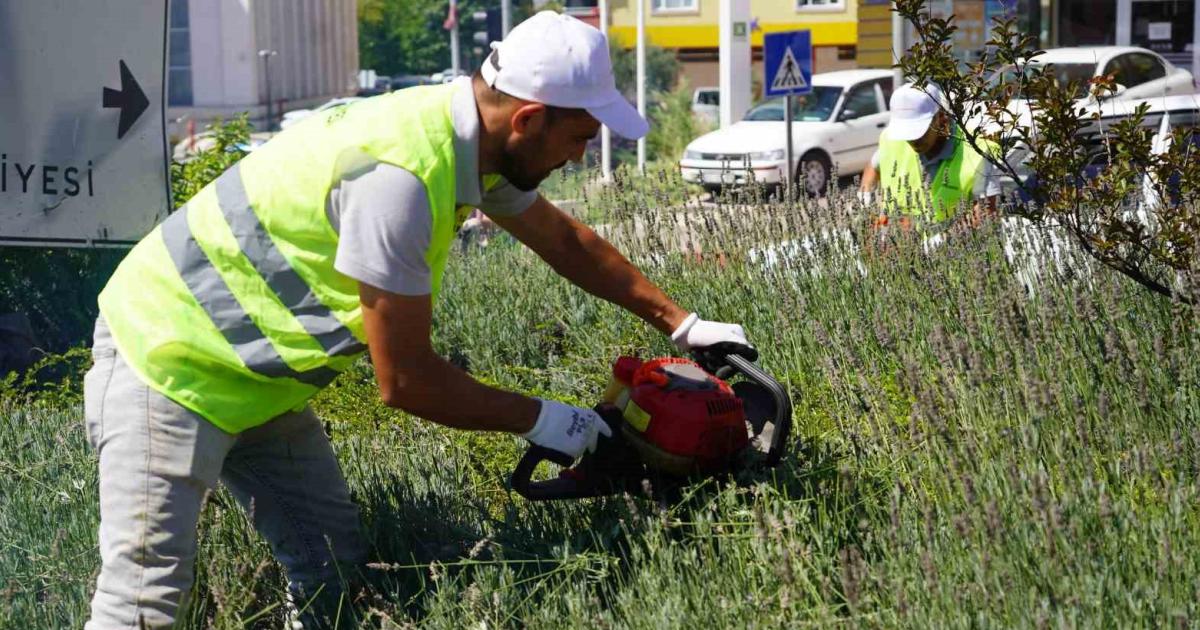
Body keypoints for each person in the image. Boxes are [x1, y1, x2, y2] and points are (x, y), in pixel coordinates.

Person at [82, 12, 753, 629]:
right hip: (166, 361)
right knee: (143, 603)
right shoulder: (399, 179)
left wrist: (683, 324)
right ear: (527, 119)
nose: (579, 156)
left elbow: (564, 241)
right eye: (578, 138)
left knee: (331, 575)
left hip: (257, 384)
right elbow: (405, 382)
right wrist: (564, 425)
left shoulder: (469, 143)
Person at [859, 82, 1000, 228]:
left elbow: (986, 212)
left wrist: (942, 240)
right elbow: (873, 166)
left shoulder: (978, 151)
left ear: (940, 117)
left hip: (955, 247)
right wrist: (866, 199)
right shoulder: (892, 139)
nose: (913, 140)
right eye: (907, 133)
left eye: (919, 131)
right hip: (901, 245)